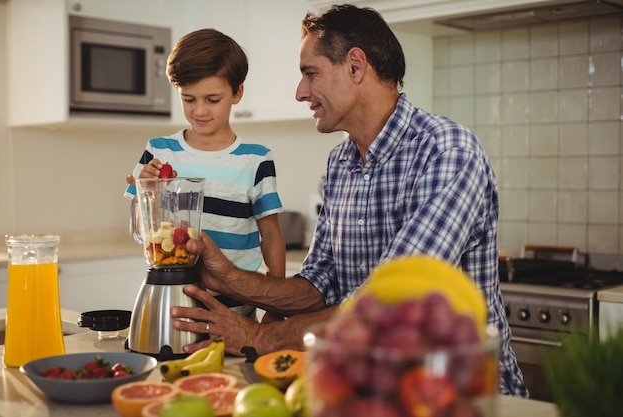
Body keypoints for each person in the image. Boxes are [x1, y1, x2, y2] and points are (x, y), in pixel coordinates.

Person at [169, 5, 529, 397]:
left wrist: (259, 335)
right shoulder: (341, 162)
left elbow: (390, 308)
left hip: (459, 396)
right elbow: (319, 285)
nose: (300, 92)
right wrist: (231, 279)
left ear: (356, 66)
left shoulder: (446, 151)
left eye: (310, 73)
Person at [125, 28, 286, 322]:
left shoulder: (256, 159)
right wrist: (149, 191)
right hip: (175, 302)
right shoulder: (158, 151)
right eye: (189, 99)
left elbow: (272, 235)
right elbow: (142, 231)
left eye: (213, 99)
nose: (200, 111)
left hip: (239, 310)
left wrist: (275, 307)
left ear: (237, 92)